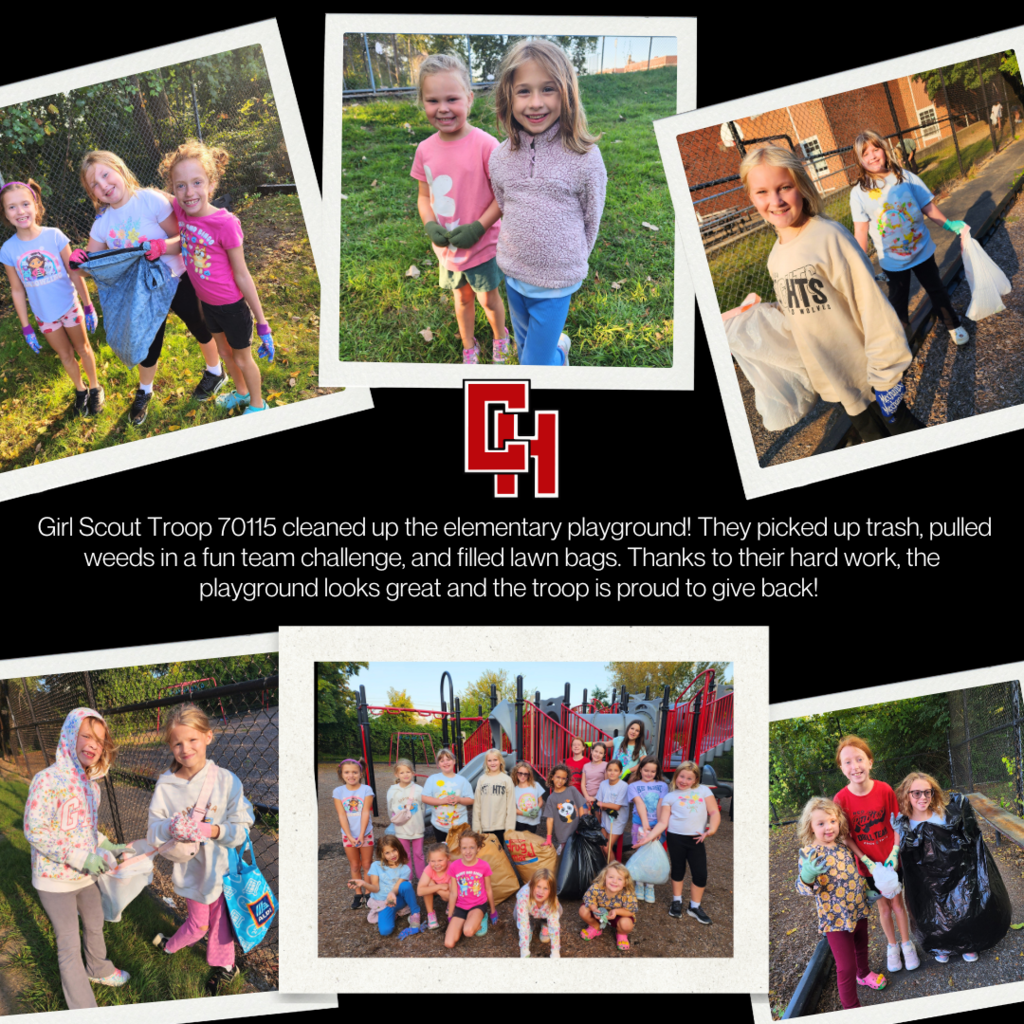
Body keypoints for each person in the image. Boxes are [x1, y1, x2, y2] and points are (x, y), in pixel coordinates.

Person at [739, 145, 921, 443]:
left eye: (784, 187)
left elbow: (871, 305)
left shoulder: (828, 236)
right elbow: (801, 312)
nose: (775, 201)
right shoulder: (774, 258)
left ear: (801, 186)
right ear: (751, 197)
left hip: (870, 374)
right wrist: (762, 316)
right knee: (873, 439)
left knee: (906, 433)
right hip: (837, 378)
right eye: (762, 192)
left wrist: (885, 373)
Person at [74, 150, 223, 425]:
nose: (103, 185)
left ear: (119, 169)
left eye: (105, 174)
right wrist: (79, 260)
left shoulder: (149, 200)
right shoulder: (102, 223)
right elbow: (89, 267)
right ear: (91, 192)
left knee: (199, 324)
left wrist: (161, 247)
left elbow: (182, 237)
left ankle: (215, 372)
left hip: (176, 277)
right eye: (94, 183)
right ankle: (144, 391)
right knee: (148, 342)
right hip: (141, 292)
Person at [489, 38, 607, 366]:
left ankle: (556, 355)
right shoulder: (499, 157)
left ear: (566, 93)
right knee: (524, 348)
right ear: (508, 96)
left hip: (555, 285)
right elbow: (504, 204)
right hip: (513, 276)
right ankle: (558, 349)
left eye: (548, 89)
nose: (536, 103)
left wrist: (569, 260)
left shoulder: (585, 158)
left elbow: (592, 216)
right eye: (524, 91)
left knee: (533, 367)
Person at [23, 709, 129, 1008]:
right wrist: (78, 856)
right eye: (86, 736)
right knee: (68, 943)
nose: (93, 744)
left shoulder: (91, 786)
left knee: (95, 922)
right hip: (54, 879)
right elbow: (35, 830)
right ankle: (83, 1008)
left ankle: (98, 969)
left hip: (84, 876)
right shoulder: (47, 780)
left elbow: (86, 828)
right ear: (70, 735)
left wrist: (107, 844)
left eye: (100, 740)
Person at [159, 141, 275, 412]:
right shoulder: (182, 212)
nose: (189, 192)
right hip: (207, 305)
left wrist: (262, 322)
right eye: (180, 185)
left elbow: (242, 274)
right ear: (173, 187)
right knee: (224, 353)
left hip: (233, 308)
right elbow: (151, 197)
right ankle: (242, 393)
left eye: (197, 183)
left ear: (211, 184)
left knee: (242, 359)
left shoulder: (225, 224)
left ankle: (258, 405)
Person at [147, 703, 254, 995]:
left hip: (222, 870)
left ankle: (226, 967)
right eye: (177, 743)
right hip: (191, 872)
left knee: (221, 923)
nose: (186, 749)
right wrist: (171, 827)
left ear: (208, 736)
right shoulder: (166, 785)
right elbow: (153, 830)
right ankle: (170, 946)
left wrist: (214, 830)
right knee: (198, 924)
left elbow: (242, 827)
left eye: (192, 739)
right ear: (170, 746)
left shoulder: (226, 781)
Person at [410, 53, 509, 365]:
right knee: (462, 297)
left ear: (469, 98)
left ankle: (500, 337)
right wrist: (430, 225)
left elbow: (503, 196)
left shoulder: (486, 145)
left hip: (482, 245)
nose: (443, 108)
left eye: (452, 99)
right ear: (423, 103)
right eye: (433, 100)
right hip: (448, 250)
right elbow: (423, 196)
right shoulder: (424, 150)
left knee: (488, 299)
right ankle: (469, 345)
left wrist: (478, 227)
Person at [850, 130, 969, 348]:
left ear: (884, 150)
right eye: (865, 153)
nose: (872, 156)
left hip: (921, 250)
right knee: (898, 301)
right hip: (892, 261)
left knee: (936, 290)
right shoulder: (859, 192)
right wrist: (859, 260)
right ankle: (901, 340)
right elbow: (861, 230)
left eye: (876, 149)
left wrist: (949, 224)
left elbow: (927, 207)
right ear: (860, 160)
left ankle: (952, 324)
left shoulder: (905, 177)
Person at [1, 180, 104, 418]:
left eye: (25, 204)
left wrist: (88, 305)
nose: (20, 211)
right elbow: (17, 290)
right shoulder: (8, 250)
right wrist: (26, 327)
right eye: (12, 207)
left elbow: (74, 273)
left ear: (36, 205)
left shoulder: (54, 236)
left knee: (83, 348)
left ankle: (95, 387)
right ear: (5, 213)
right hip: (45, 316)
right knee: (65, 355)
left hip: (70, 307)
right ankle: (81, 390)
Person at [833, 735, 919, 973]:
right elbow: (846, 836)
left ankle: (906, 944)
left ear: (870, 762)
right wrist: (865, 860)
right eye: (848, 762)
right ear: (841, 768)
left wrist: (895, 851)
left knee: (898, 904)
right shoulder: (841, 799)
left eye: (859, 759)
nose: (855, 766)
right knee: (883, 908)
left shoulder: (884, 790)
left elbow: (898, 823)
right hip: (868, 868)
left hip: (892, 864)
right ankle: (892, 947)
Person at [795, 796, 884, 1009]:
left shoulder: (843, 847)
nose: (829, 827)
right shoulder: (809, 854)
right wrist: (807, 875)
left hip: (858, 909)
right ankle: (851, 1008)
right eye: (821, 823)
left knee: (861, 946)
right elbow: (802, 888)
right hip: (836, 920)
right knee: (845, 967)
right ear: (810, 826)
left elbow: (852, 874)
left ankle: (864, 974)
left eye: (833, 821)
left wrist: (866, 892)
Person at [894, 772, 988, 963]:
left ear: (933, 793)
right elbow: (899, 848)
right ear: (907, 795)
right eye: (916, 793)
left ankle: (966, 944)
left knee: (960, 905)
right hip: (924, 879)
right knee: (932, 911)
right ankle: (941, 945)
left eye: (927, 792)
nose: (922, 797)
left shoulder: (942, 815)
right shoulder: (903, 821)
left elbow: (962, 839)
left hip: (951, 872)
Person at [638, 760, 719, 924]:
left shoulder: (703, 790)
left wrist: (712, 829)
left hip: (696, 838)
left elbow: (714, 811)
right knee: (678, 869)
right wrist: (648, 837)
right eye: (682, 776)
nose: (684, 781)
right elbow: (663, 822)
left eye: (689, 778)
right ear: (676, 776)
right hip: (676, 838)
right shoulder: (670, 797)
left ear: (695, 779)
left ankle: (694, 906)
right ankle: (677, 901)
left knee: (700, 873)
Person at [348, 834, 420, 937]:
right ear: (382, 854)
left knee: (406, 885)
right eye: (387, 852)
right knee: (385, 931)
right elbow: (375, 888)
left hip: (397, 899)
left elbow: (397, 887)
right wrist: (363, 883)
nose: (392, 855)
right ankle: (393, 913)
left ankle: (415, 913)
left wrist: (392, 894)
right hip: (383, 902)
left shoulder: (405, 869)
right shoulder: (376, 866)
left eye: (394, 850)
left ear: (399, 849)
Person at [333, 758, 375, 909]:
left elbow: (365, 812)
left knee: (367, 864)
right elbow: (342, 815)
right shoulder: (338, 792)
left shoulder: (366, 789)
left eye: (354, 772)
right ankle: (358, 893)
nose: (351, 775)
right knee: (355, 865)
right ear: (341, 774)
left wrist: (362, 834)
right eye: (347, 772)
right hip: (347, 835)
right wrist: (350, 836)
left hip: (366, 833)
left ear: (360, 774)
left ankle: (369, 892)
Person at [627, 755, 669, 903]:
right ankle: (639, 883)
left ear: (657, 772)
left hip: (657, 824)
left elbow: (661, 805)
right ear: (640, 769)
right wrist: (645, 825)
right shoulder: (633, 786)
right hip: (639, 823)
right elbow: (639, 804)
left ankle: (650, 885)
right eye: (646, 770)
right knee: (640, 852)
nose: (649, 774)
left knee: (653, 854)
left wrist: (657, 827)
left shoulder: (662, 785)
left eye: (653, 771)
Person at [445, 830, 497, 948]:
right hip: (461, 906)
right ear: (460, 849)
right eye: (464, 848)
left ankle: (481, 917)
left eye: (472, 847)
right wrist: (450, 915)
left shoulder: (484, 866)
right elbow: (453, 893)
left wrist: (493, 911)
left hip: (478, 905)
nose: (468, 851)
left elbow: (488, 889)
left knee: (468, 932)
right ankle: (467, 921)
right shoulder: (454, 866)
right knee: (449, 943)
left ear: (478, 848)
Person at [579, 861, 638, 951]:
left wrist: (616, 911)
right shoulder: (597, 887)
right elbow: (589, 898)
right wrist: (594, 909)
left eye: (619, 879)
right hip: (598, 913)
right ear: (604, 878)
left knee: (626, 924)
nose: (614, 881)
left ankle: (621, 934)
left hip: (618, 916)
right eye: (611, 877)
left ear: (625, 883)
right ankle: (595, 927)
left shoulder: (628, 893)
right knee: (583, 910)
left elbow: (631, 910)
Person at [422, 747, 474, 844]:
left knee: (459, 850)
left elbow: (471, 799)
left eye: (448, 759)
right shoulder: (432, 779)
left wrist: (459, 799)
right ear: (438, 764)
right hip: (439, 825)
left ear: (454, 761)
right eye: (442, 761)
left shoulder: (462, 780)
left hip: (459, 825)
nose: (445, 763)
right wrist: (442, 801)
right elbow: (424, 797)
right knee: (443, 851)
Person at [386, 757, 426, 880]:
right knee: (404, 855)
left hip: (417, 828)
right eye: (402, 772)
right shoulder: (392, 791)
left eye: (408, 772)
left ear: (413, 773)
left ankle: (422, 879)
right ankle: (408, 879)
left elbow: (423, 809)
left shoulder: (419, 790)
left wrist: (420, 821)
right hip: (401, 829)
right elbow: (390, 810)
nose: (405, 775)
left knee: (419, 854)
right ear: (396, 774)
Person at [472, 747, 516, 845]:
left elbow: (511, 806)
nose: (492, 763)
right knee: (486, 851)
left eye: (495, 760)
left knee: (499, 852)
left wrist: (510, 828)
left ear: (500, 761)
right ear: (486, 762)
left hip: (501, 826)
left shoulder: (506, 780)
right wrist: (476, 827)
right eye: (489, 760)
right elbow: (477, 805)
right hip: (484, 825)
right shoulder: (482, 780)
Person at [515, 867, 561, 958]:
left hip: (543, 913)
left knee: (559, 909)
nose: (540, 892)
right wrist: (524, 951)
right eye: (538, 886)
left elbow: (554, 926)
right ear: (532, 885)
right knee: (517, 914)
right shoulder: (523, 896)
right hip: (529, 913)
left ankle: (545, 924)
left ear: (551, 891)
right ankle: (530, 926)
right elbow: (523, 923)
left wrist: (555, 952)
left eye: (545, 888)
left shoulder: (552, 899)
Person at [542, 763, 586, 853]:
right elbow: (550, 819)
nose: (560, 781)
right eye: (558, 777)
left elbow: (580, 807)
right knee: (566, 854)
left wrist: (582, 825)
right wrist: (548, 838)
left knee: (577, 853)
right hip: (563, 834)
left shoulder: (572, 790)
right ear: (552, 777)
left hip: (577, 830)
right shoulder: (551, 798)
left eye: (563, 778)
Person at [595, 758, 629, 860]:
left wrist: (603, 804)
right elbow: (598, 803)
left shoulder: (624, 786)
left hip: (617, 821)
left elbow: (617, 806)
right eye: (609, 770)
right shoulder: (603, 784)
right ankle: (605, 866)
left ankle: (615, 868)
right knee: (601, 846)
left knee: (606, 848)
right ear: (606, 771)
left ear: (620, 772)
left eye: (615, 770)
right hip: (605, 819)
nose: (612, 773)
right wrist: (604, 805)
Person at [416, 842, 452, 930]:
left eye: (440, 860)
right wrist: (439, 887)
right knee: (426, 888)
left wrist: (433, 886)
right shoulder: (429, 869)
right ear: (428, 860)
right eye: (432, 861)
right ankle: (430, 914)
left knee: (447, 896)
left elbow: (451, 894)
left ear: (448, 858)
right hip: (440, 889)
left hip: (449, 892)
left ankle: (451, 905)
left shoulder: (452, 867)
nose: (436, 864)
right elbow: (419, 891)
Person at [512, 760, 546, 834]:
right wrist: (526, 814)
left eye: (525, 774)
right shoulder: (514, 789)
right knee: (521, 839)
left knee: (530, 838)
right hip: (520, 820)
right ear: (516, 773)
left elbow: (541, 801)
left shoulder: (536, 785)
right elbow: (513, 808)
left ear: (529, 775)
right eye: (520, 773)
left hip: (533, 821)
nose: (523, 776)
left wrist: (537, 809)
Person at [582, 740, 608, 817]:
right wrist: (587, 797)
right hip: (586, 799)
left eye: (601, 753)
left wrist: (595, 798)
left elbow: (606, 784)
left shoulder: (606, 765)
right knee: (584, 820)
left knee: (597, 822)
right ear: (591, 751)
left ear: (604, 755)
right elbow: (583, 784)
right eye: (596, 751)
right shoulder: (585, 766)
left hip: (599, 799)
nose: (597, 754)